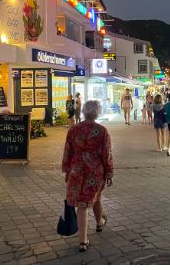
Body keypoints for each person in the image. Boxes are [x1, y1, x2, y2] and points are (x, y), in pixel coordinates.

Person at [61, 100, 114, 252]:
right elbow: (107, 154)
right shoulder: (102, 131)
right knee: (90, 200)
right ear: (97, 112)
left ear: (83, 112)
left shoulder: (74, 130)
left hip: (76, 169)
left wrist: (67, 170)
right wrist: (109, 172)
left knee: (87, 201)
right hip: (95, 171)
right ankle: (88, 235)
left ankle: (94, 228)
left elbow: (67, 151)